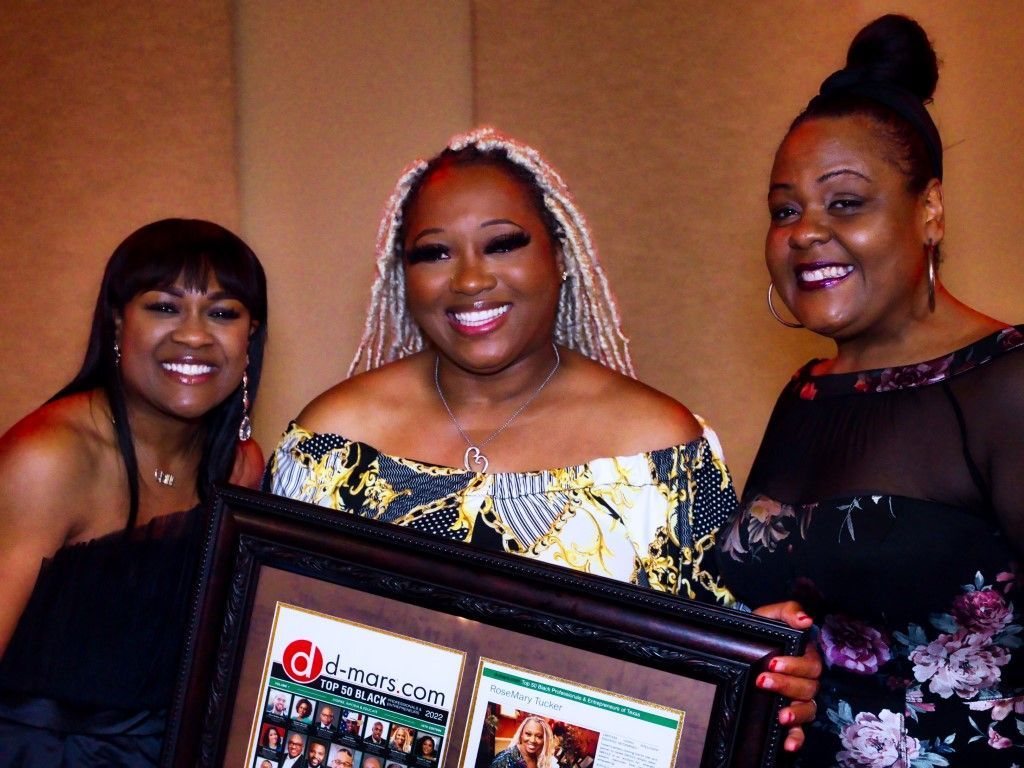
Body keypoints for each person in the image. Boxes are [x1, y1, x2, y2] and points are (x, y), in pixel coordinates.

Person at [266, 127, 820, 750]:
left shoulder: (660, 451)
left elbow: (711, 664)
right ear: (403, 276)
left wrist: (772, 676)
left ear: (558, 256)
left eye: (502, 244)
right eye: (435, 253)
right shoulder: (328, 446)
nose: (471, 280)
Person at [716, 14, 1024, 767]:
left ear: (929, 210)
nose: (806, 232)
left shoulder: (1006, 381)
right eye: (784, 210)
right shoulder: (807, 397)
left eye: (844, 202)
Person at [0, 218, 268, 765]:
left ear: (250, 339)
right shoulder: (50, 459)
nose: (193, 335)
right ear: (118, 322)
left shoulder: (240, 468)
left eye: (222, 313)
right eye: (164, 307)